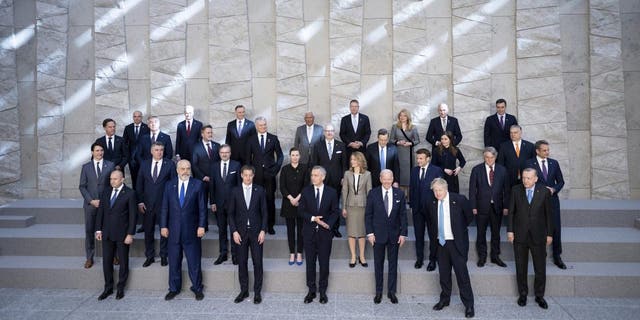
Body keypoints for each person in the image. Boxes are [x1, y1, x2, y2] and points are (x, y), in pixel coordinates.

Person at [160, 160, 207, 301]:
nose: (185, 171)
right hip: (173, 231)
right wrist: (163, 226)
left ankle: (197, 288)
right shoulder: (169, 185)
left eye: (188, 168)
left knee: (194, 262)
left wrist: (201, 226)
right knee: (174, 261)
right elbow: (164, 208)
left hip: (192, 231)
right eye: (182, 169)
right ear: (177, 170)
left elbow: (202, 208)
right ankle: (174, 288)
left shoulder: (197, 184)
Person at [507, 168, 553, 309]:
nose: (525, 181)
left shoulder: (544, 192)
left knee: (540, 268)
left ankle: (539, 296)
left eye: (528, 178)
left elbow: (548, 215)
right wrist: (510, 231)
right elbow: (511, 213)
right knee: (521, 267)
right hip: (520, 235)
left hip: (538, 236)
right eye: (524, 178)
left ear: (535, 179)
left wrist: (549, 234)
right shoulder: (515, 190)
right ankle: (523, 295)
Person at [429, 178, 474, 318]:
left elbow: (469, 217)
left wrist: (459, 230)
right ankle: (445, 299)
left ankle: (469, 305)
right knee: (444, 274)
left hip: (456, 243)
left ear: (446, 188)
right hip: (441, 244)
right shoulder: (431, 202)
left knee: (462, 275)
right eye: (435, 191)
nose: (437, 193)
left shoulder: (459, 199)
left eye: (440, 190)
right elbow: (432, 223)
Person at [299, 166, 340, 304]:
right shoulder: (305, 191)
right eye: (312, 175)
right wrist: (313, 218)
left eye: (316, 175)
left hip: (325, 234)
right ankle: (311, 291)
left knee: (324, 263)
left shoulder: (332, 192)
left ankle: (322, 291)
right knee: (310, 263)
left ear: (323, 177)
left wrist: (328, 224)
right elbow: (301, 211)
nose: (313, 177)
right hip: (309, 233)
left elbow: (335, 211)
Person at [365, 169, 408, 304]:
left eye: (390, 179)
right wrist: (370, 233)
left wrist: (403, 234)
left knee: (393, 264)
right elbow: (368, 215)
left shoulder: (400, 194)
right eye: (385, 178)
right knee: (378, 264)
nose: (387, 181)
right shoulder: (373, 193)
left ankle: (391, 292)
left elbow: (403, 216)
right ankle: (378, 292)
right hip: (377, 236)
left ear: (393, 178)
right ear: (380, 179)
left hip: (394, 235)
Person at [227, 165, 268, 304]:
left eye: (250, 175)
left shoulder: (260, 190)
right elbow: (230, 214)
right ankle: (243, 291)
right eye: (245, 175)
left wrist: (263, 230)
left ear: (253, 175)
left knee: (257, 263)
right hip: (240, 233)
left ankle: (257, 292)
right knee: (242, 263)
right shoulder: (234, 191)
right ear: (241, 175)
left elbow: (264, 213)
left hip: (257, 233)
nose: (248, 178)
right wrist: (234, 231)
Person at [95, 170, 137, 300]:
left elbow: (133, 216)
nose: (112, 181)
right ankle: (108, 288)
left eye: (115, 179)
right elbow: (101, 212)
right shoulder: (106, 192)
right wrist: (98, 230)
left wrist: (130, 234)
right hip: (107, 233)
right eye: (111, 179)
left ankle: (120, 288)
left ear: (122, 179)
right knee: (107, 262)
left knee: (123, 262)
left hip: (122, 234)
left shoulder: (130, 193)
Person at [526, 140, 566, 269]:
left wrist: (554, 189)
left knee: (555, 228)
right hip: (537, 202)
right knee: (539, 228)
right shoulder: (529, 163)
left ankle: (557, 256)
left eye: (548, 150)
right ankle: (540, 255)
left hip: (552, 201)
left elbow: (561, 181)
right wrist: (541, 191)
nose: (547, 152)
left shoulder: (554, 163)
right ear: (537, 151)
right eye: (544, 150)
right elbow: (527, 182)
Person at [136, 142, 176, 267]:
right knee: (148, 231)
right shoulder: (144, 164)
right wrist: (140, 201)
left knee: (165, 231)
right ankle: (150, 256)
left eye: (161, 150)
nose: (159, 152)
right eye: (157, 150)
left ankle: (164, 255)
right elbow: (139, 184)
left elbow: (174, 185)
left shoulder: (169, 164)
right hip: (147, 205)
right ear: (151, 151)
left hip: (164, 205)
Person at [468, 147, 509, 267]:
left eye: (491, 157)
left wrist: (506, 206)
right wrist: (473, 206)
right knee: (481, 232)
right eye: (486, 157)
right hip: (481, 207)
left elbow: (506, 190)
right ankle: (482, 256)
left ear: (495, 157)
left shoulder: (502, 170)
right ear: (483, 157)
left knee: (496, 233)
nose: (489, 159)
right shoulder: (477, 170)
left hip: (497, 206)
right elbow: (472, 190)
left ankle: (495, 256)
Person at [245, 116, 283, 235]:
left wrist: (275, 170)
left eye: (265, 125)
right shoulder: (251, 140)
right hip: (255, 176)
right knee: (256, 201)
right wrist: (250, 174)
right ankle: (258, 225)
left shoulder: (273, 138)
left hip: (270, 175)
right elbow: (247, 159)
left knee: (270, 200)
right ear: (256, 126)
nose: (263, 127)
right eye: (261, 125)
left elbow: (280, 156)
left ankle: (270, 225)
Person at [79, 143, 114, 268]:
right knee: (89, 231)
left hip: (106, 204)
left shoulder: (110, 165)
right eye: (97, 150)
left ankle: (112, 255)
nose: (100, 152)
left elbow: (112, 185)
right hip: (90, 205)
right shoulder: (86, 167)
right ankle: (89, 257)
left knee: (109, 230)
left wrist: (105, 201)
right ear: (92, 152)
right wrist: (91, 200)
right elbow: (82, 186)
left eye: (101, 150)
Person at [310, 123, 347, 238]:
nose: (329, 133)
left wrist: (343, 177)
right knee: (322, 204)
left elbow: (344, 164)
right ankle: (323, 226)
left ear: (334, 132)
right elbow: (314, 164)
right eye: (327, 131)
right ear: (324, 132)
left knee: (334, 206)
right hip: (322, 181)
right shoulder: (318, 145)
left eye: (331, 131)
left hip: (337, 181)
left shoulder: (341, 145)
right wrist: (315, 178)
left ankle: (334, 228)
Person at [409, 148, 443, 271]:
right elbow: (412, 189)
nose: (418, 160)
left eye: (421, 158)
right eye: (417, 158)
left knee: (433, 236)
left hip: (432, 209)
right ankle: (419, 259)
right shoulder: (414, 171)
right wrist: (412, 206)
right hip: (417, 209)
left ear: (428, 158)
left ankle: (432, 260)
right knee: (418, 235)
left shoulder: (436, 170)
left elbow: (440, 190)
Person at [209, 145, 242, 265]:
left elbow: (239, 185)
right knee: (222, 230)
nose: (224, 154)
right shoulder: (213, 167)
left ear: (230, 153)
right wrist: (212, 202)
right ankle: (222, 254)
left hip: (233, 204)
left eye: (226, 152)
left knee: (234, 229)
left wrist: (239, 202)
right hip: (219, 204)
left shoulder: (236, 165)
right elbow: (212, 186)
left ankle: (235, 255)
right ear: (219, 153)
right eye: (222, 152)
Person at [341, 151, 372, 268]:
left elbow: (369, 191)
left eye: (354, 159)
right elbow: (344, 191)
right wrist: (343, 207)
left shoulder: (368, 174)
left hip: (363, 206)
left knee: (362, 232)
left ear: (360, 160)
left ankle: (362, 256)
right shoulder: (347, 173)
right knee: (351, 232)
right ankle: (353, 256)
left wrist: (370, 209)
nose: (352, 161)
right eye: (351, 160)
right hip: (350, 206)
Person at [279, 148, 309, 265]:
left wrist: (298, 199)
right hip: (288, 203)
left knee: (301, 229)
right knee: (290, 230)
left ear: (300, 156)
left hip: (301, 203)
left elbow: (306, 185)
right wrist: (291, 198)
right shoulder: (285, 169)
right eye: (293, 155)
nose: (295, 157)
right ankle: (292, 253)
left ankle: (300, 253)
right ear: (290, 156)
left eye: (297, 155)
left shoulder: (305, 168)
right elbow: (282, 187)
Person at [389, 109, 420, 194]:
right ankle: (399, 194)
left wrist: (410, 143)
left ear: (408, 117)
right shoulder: (395, 127)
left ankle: (409, 196)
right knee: (399, 172)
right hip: (398, 152)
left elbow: (417, 140)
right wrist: (398, 142)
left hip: (408, 153)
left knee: (408, 175)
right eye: (401, 115)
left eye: (404, 115)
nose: (402, 117)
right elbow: (391, 139)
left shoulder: (413, 127)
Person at [191, 125, 221, 210]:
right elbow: (194, 164)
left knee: (216, 203)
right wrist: (203, 177)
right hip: (202, 180)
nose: (210, 134)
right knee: (202, 204)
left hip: (215, 180)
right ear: (202, 134)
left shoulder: (217, 146)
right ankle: (202, 222)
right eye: (208, 133)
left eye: (211, 132)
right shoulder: (196, 147)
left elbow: (219, 162)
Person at [122, 110, 149, 189]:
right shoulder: (128, 128)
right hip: (132, 159)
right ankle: (135, 197)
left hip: (143, 158)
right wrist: (127, 157)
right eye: (135, 116)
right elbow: (125, 143)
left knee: (144, 178)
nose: (137, 118)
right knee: (134, 178)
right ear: (133, 117)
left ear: (142, 117)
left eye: (139, 116)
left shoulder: (147, 127)